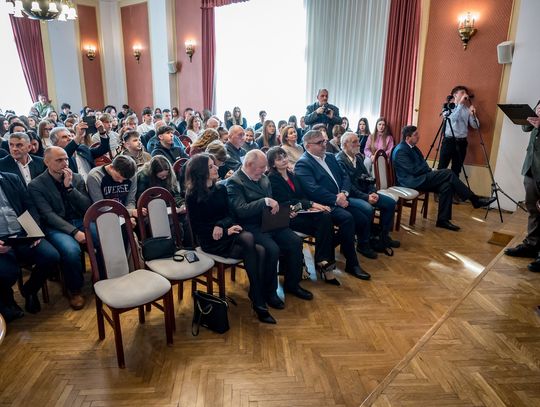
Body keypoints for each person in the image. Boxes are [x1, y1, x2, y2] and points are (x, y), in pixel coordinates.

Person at [186, 154, 275, 324]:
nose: (216, 168)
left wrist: (222, 225)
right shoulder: (192, 195)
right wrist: (224, 230)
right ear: (201, 172)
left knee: (258, 248)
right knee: (253, 244)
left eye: (214, 165)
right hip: (210, 240)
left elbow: (230, 215)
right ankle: (258, 300)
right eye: (211, 166)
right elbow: (197, 228)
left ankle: (257, 296)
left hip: (226, 232)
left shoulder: (220, 189)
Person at [227, 150, 313, 308]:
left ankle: (292, 284)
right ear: (249, 164)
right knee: (272, 249)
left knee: (295, 241)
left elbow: (273, 204)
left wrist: (285, 211)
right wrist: (265, 201)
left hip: (271, 221)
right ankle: (269, 292)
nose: (264, 170)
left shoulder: (263, 178)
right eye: (261, 167)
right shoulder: (235, 182)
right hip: (251, 226)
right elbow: (241, 210)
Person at [295, 130, 373, 278]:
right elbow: (313, 190)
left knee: (362, 219)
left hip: (341, 199)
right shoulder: (303, 163)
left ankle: (327, 246)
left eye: (324, 141)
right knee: (347, 219)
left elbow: (345, 177)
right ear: (307, 146)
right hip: (323, 204)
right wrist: (336, 199)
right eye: (319, 143)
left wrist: (344, 193)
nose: (324, 145)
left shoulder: (330, 157)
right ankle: (352, 264)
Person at [28, 147, 95, 310]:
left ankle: (101, 277)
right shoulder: (36, 185)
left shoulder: (76, 178)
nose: (65, 163)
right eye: (59, 160)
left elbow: (87, 206)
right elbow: (48, 215)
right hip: (56, 226)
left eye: (66, 159)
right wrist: (74, 232)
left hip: (80, 220)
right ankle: (75, 290)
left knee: (103, 238)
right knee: (71, 251)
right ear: (47, 162)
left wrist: (69, 188)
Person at [392, 126, 496, 231]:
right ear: (407, 137)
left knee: (446, 186)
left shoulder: (413, 148)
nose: (418, 136)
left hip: (420, 177)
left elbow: (422, 164)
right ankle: (474, 199)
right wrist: (428, 169)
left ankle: (442, 220)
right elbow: (413, 170)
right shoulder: (401, 150)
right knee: (448, 173)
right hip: (411, 181)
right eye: (415, 135)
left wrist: (428, 169)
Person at [267, 147, 339, 285]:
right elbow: (286, 201)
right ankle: (324, 265)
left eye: (284, 156)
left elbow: (302, 195)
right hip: (288, 216)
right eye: (279, 159)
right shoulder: (272, 178)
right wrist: (310, 204)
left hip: (300, 212)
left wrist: (311, 206)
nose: (284, 160)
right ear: (273, 164)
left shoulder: (292, 175)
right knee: (325, 228)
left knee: (325, 217)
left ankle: (323, 260)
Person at [0, 171, 60, 320]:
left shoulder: (11, 178)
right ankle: (7, 302)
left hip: (22, 233)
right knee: (6, 273)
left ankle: (29, 290)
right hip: (1, 240)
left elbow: (29, 205)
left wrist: (33, 230)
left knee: (51, 257)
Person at [337, 132, 399, 248]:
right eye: (354, 142)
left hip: (365, 193)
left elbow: (367, 178)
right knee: (368, 208)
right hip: (350, 196)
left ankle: (383, 238)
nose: (359, 144)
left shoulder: (358, 158)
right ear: (345, 144)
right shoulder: (340, 160)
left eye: (358, 141)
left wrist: (372, 192)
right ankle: (364, 242)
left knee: (390, 203)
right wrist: (366, 197)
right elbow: (349, 186)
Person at [505, 101, 540, 271]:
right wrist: (532, 117)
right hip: (532, 166)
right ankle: (532, 245)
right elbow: (526, 128)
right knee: (532, 209)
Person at [437, 85, 479, 177]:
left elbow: (476, 126)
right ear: (455, 95)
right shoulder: (447, 107)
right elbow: (453, 119)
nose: (465, 95)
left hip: (462, 143)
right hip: (449, 141)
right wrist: (460, 104)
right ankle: (439, 186)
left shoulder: (467, 110)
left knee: (456, 169)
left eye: (466, 93)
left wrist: (472, 115)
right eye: (462, 93)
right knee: (442, 168)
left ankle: (453, 186)